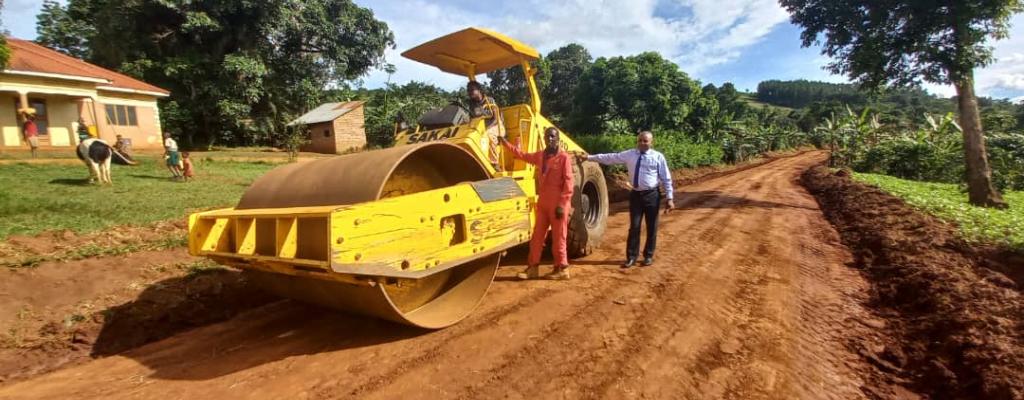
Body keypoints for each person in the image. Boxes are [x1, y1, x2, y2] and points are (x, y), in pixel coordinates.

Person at [578, 131, 674, 268]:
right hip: (636, 195)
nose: (642, 143)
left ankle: (648, 256)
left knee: (652, 227)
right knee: (634, 227)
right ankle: (631, 257)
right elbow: (611, 157)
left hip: (652, 195)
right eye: (640, 140)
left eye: (645, 141)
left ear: (651, 142)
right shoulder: (630, 154)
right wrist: (589, 157)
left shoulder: (658, 157)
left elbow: (666, 178)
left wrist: (670, 198)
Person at [499, 127, 574, 280]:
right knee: (537, 236)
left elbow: (569, 183)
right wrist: (506, 144)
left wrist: (562, 203)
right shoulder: (541, 155)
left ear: (558, 138)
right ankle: (533, 268)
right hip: (544, 203)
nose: (550, 139)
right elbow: (523, 155)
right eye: (548, 137)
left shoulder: (564, 158)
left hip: (558, 204)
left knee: (559, 237)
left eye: (553, 137)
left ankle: (562, 268)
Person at [467, 81, 505, 171]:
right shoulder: (472, 105)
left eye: (472, 90)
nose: (470, 92)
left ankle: (495, 163)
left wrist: (486, 129)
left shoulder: (490, 100)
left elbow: (496, 119)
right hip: (481, 128)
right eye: (468, 90)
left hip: (497, 126)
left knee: (488, 135)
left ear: (479, 90)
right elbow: (471, 119)